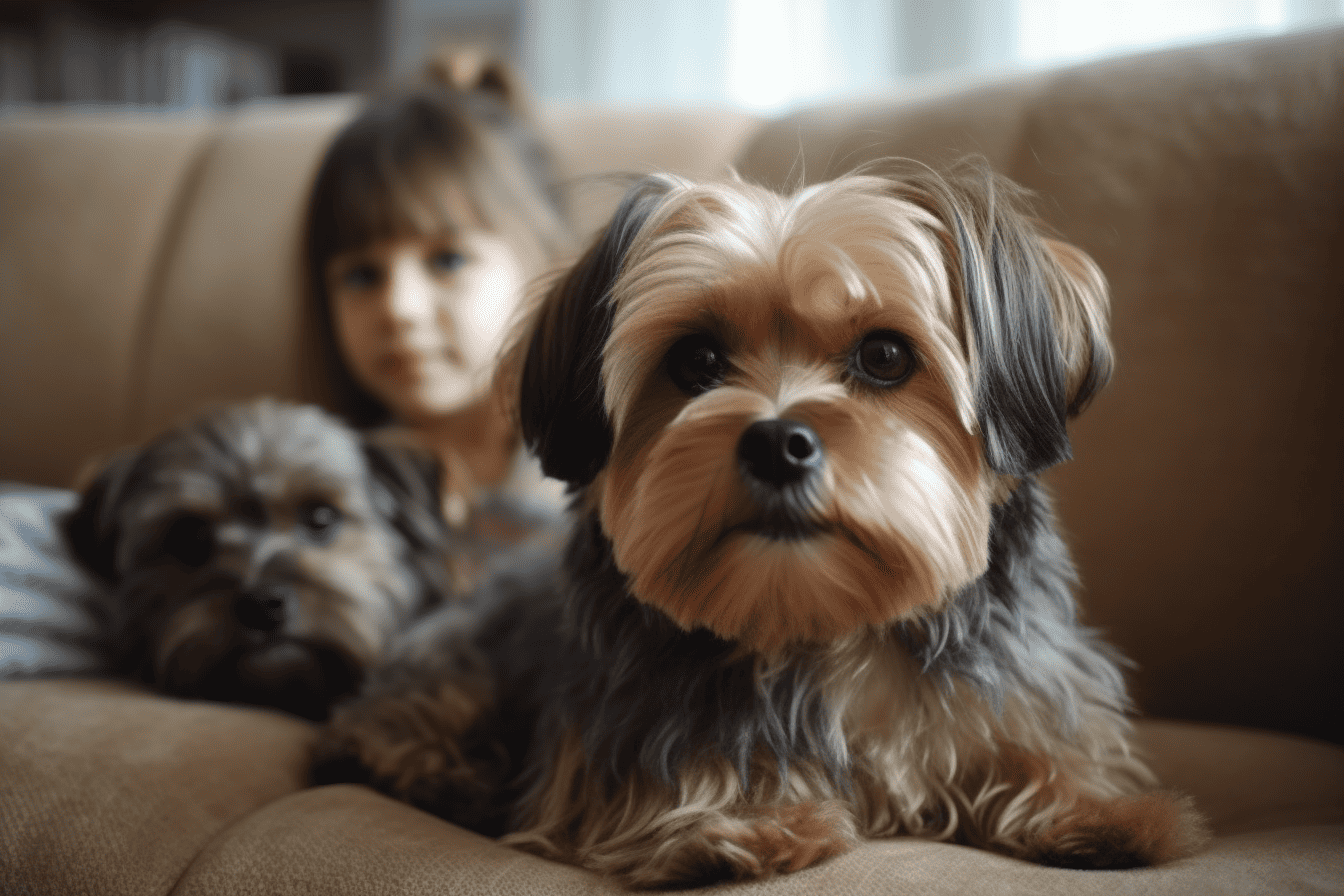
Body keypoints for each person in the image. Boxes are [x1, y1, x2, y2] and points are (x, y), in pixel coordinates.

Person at [303, 49, 573, 577]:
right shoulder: (319, 494)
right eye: (362, 275)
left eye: (447, 260)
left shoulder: (591, 485)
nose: (398, 308)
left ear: (546, 270)